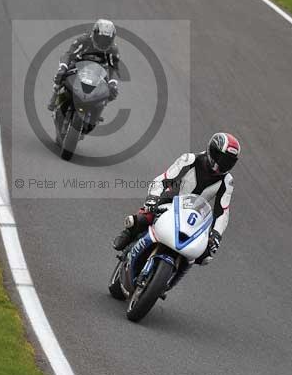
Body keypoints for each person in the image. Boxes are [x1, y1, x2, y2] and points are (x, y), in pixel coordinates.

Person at [112, 133, 241, 282]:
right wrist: (153, 198)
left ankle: (171, 279)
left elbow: (222, 211)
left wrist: (216, 235)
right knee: (146, 217)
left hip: (195, 216)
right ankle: (129, 232)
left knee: (206, 255)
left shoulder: (227, 180)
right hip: (171, 202)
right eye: (223, 159)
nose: (224, 164)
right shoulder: (190, 159)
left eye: (229, 162)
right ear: (212, 151)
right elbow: (163, 179)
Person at [47, 19, 120, 112]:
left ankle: (97, 110)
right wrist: (63, 67)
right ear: (94, 34)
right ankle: (55, 94)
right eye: (101, 39)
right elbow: (68, 54)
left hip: (99, 71)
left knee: (112, 92)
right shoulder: (84, 39)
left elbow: (114, 67)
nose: (103, 43)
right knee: (61, 75)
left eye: (107, 40)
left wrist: (112, 83)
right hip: (79, 64)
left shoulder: (113, 49)